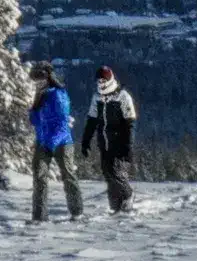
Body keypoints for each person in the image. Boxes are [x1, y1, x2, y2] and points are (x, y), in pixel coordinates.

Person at [27, 62, 82, 222]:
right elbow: (35, 121)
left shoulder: (58, 95)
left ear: (48, 78)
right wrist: (34, 108)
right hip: (43, 142)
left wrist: (51, 143)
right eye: (35, 80)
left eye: (40, 79)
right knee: (39, 178)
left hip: (62, 142)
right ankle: (39, 217)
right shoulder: (41, 95)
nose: (37, 83)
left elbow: (62, 123)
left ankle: (77, 212)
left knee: (68, 176)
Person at [81, 63, 137, 213]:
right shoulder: (97, 98)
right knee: (107, 173)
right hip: (104, 143)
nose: (101, 84)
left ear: (110, 80)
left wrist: (128, 146)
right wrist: (85, 141)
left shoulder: (123, 96)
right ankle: (115, 206)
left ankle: (128, 195)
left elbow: (130, 123)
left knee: (116, 172)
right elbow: (91, 120)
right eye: (98, 82)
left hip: (120, 143)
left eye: (103, 81)